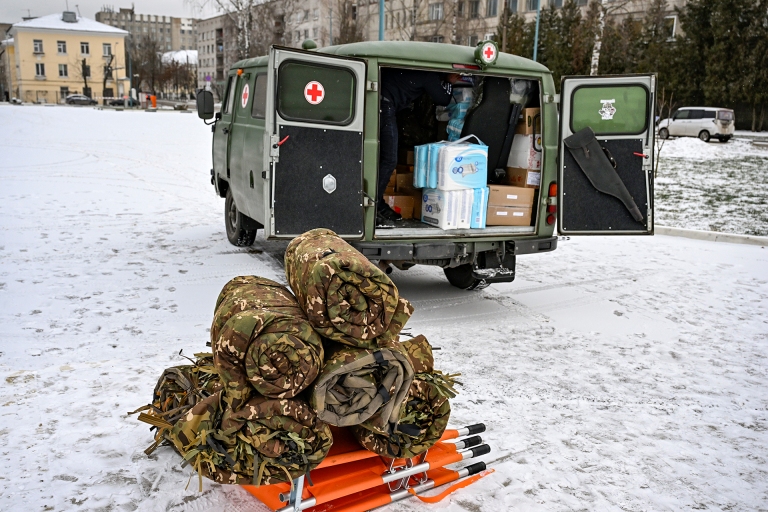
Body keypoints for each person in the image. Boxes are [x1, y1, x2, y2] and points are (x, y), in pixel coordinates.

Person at [377, 70, 461, 226]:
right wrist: (449, 82)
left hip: (382, 104)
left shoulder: (416, 73)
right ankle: (374, 205)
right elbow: (443, 99)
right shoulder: (428, 75)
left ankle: (374, 202)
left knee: (383, 157)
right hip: (385, 106)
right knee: (389, 159)